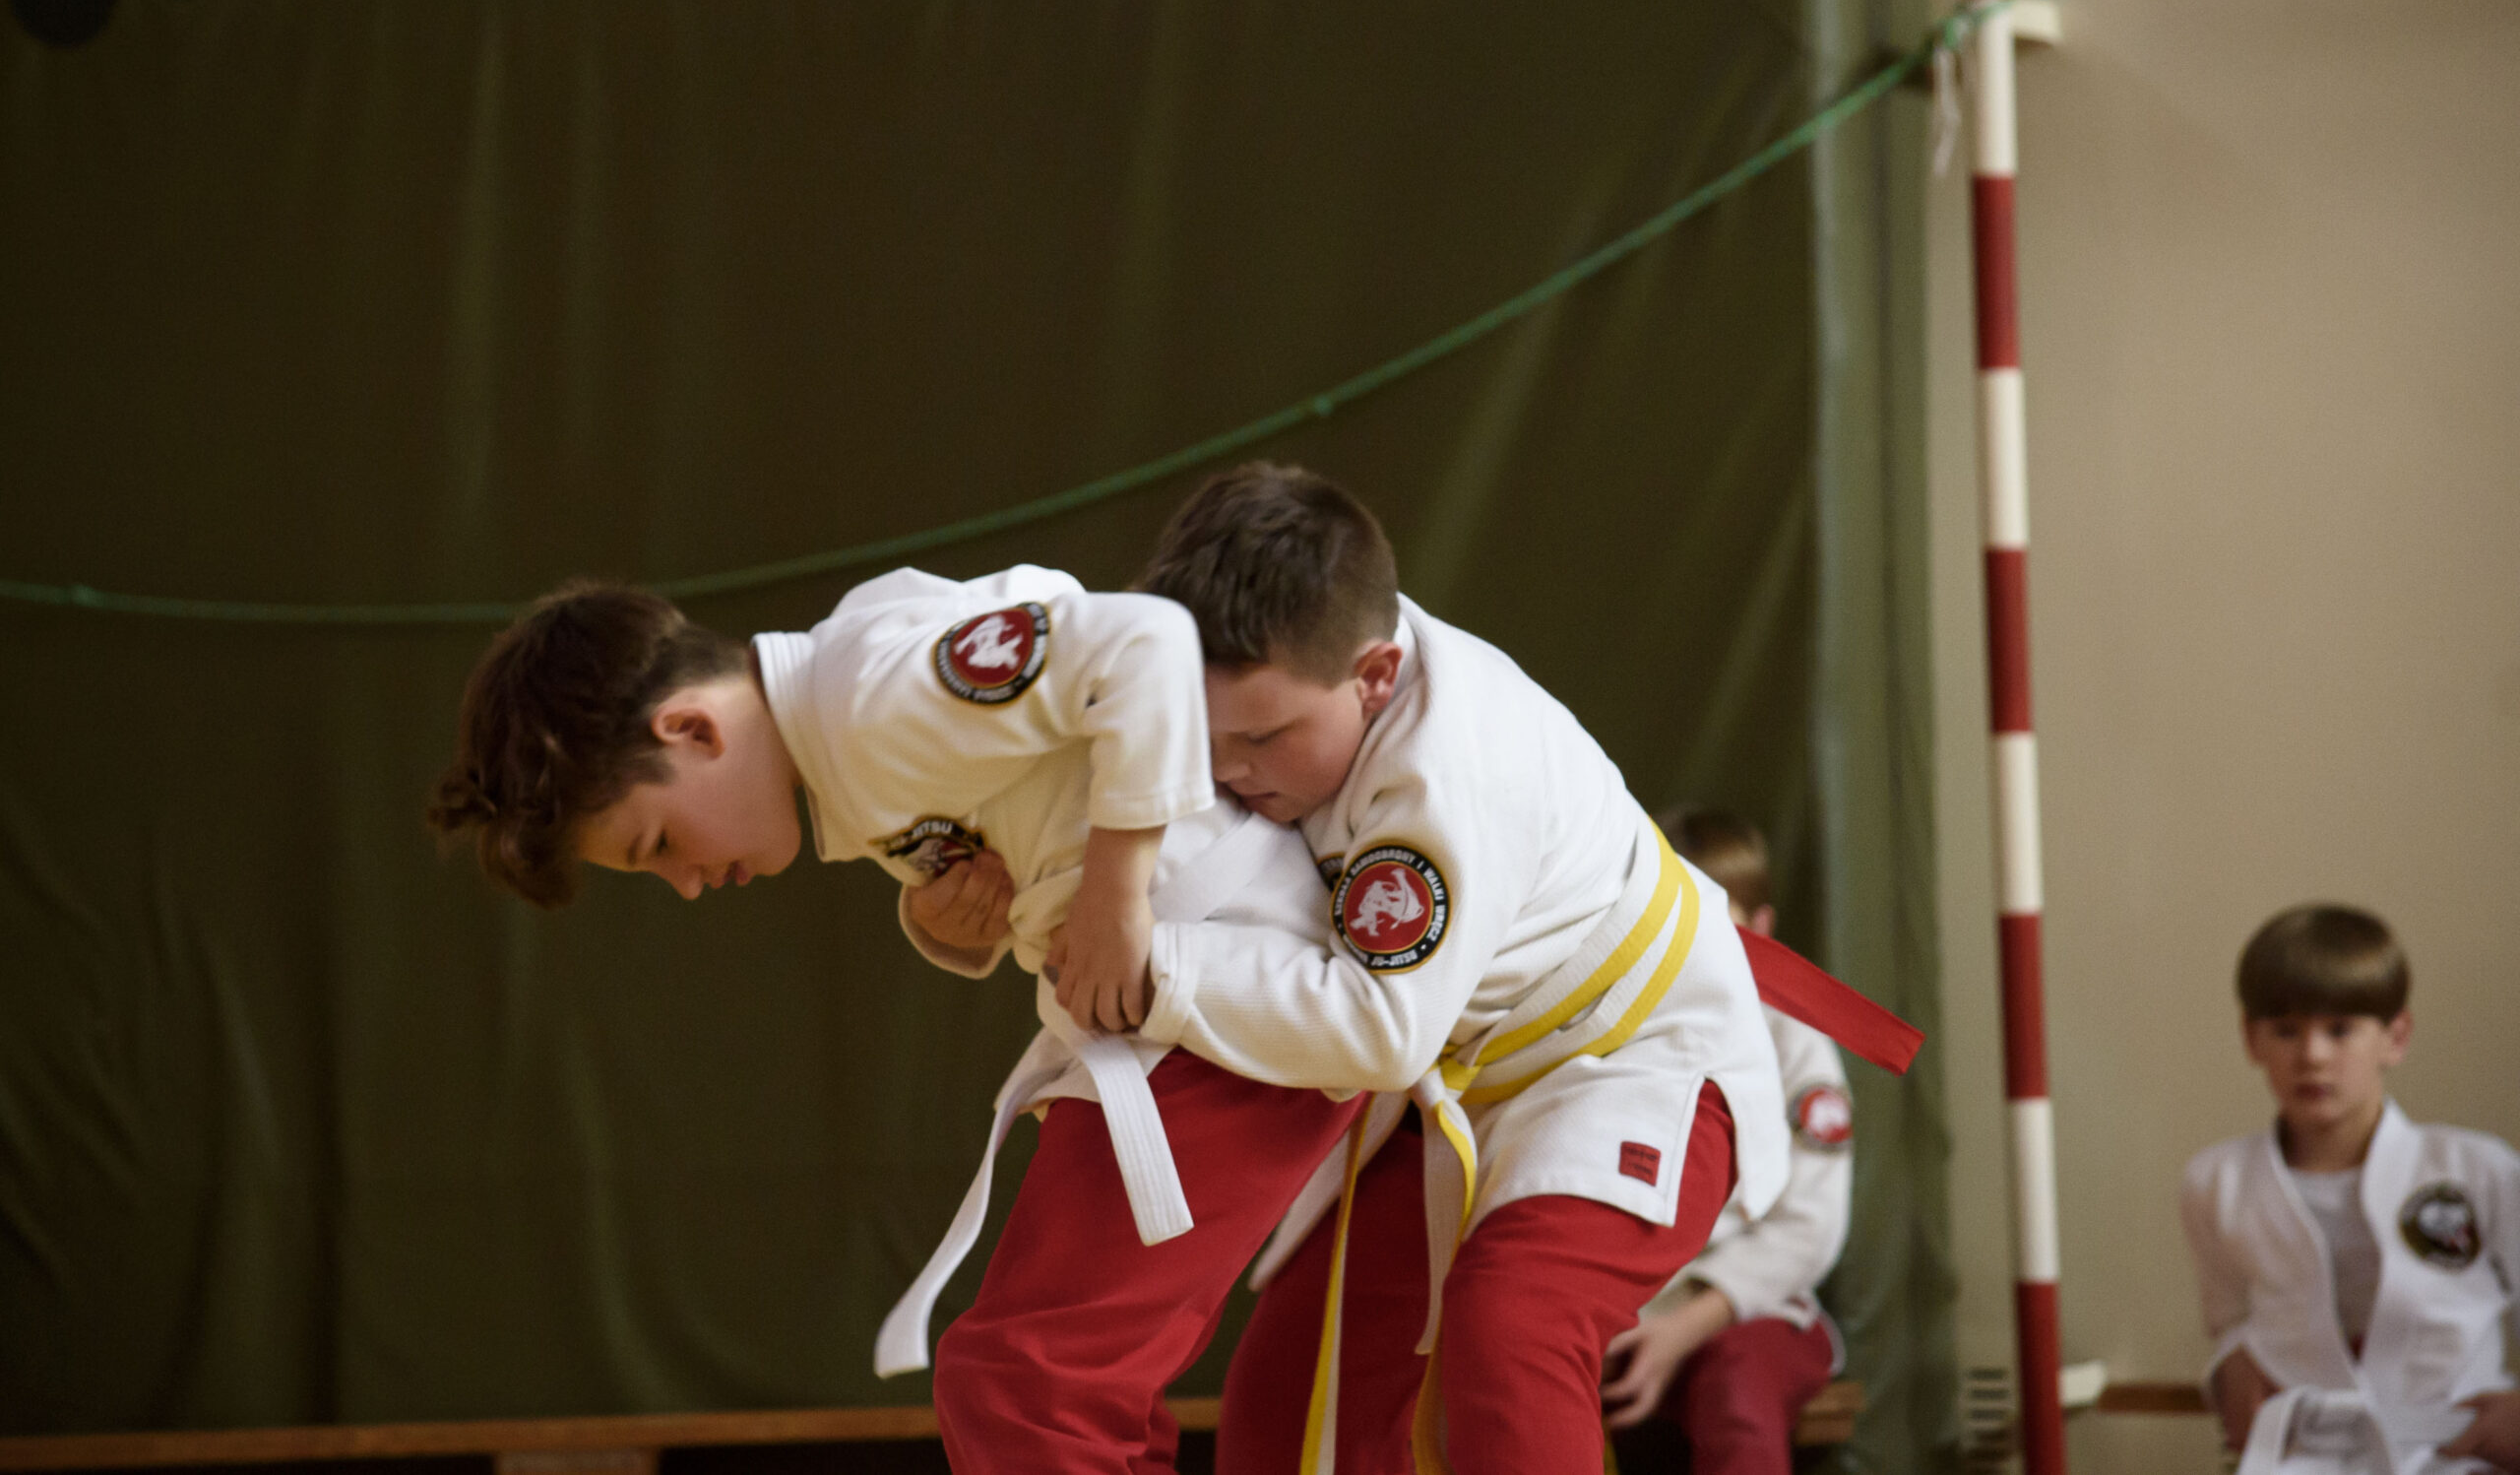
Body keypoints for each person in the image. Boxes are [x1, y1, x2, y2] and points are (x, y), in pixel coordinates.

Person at [423, 567, 1363, 1475]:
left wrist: (1114, 896)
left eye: (659, 842)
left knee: (1024, 1385)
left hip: (1230, 990)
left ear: (692, 728)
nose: (687, 882)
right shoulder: (849, 712)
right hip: (1196, 1006)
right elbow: (1042, 775)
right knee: (1064, 1387)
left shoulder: (871, 697)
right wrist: (954, 916)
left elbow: (1145, 643)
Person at [1126, 462, 1793, 1475]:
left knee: (1514, 1330)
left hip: (1633, 1059)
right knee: (1291, 1384)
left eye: (1262, 736)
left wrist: (1150, 967)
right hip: (1462, 1080)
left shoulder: (1447, 769)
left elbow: (1379, 1035)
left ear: (1375, 676)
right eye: (1206, 735)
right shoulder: (1265, 693)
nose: (1229, 770)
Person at [2181, 904, 2520, 1474]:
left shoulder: (2477, 1169)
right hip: (2303, 1452)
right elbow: (2229, 1317)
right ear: (2251, 1039)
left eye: (2340, 1030)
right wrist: (2230, 1367)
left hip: (2458, 1450)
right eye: (2285, 1030)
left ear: (2395, 1037)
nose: (2312, 1055)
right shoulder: (2216, 1182)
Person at [1599, 807, 1852, 1474]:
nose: (1690, 945)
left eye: (1714, 923)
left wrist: (1682, 1330)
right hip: (1620, 1310)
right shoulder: (1608, 1030)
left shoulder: (1795, 1043)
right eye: (1670, 919)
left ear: (1760, 929)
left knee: (1738, 1392)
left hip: (1744, 1311)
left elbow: (1809, 1226)